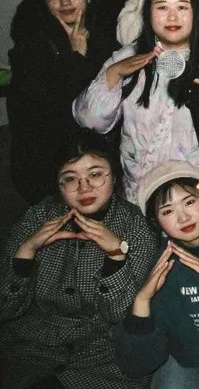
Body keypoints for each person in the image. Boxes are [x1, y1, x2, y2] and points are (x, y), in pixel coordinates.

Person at [0, 131, 158, 389]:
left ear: (114, 176)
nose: (84, 188)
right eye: (70, 179)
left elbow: (117, 314)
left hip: (103, 353)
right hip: (32, 346)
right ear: (58, 185)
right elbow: (5, 310)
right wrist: (26, 252)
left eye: (95, 175)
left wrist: (116, 255)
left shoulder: (136, 228)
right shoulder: (36, 218)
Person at [74, 0, 199, 210]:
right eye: (162, 7)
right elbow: (89, 122)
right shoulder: (129, 56)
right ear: (148, 13)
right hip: (141, 197)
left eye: (182, 7)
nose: (172, 17)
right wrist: (114, 73)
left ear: (196, 12)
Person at [113, 161, 199, 387]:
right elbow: (136, 366)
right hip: (192, 358)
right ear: (156, 222)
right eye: (167, 211)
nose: (183, 217)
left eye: (189, 202)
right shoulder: (159, 265)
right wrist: (142, 300)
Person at [8, 0, 118, 204]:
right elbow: (53, 115)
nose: (65, 1)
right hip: (46, 165)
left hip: (98, 164)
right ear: (45, 2)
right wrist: (75, 57)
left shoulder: (108, 43)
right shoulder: (30, 48)